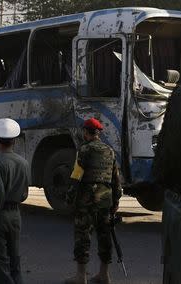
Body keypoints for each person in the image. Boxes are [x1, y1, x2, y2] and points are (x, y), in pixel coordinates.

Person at [65, 118, 122, 284]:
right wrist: (116, 200)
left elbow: (76, 176)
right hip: (105, 201)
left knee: (83, 236)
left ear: (86, 132)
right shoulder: (109, 151)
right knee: (105, 236)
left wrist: (69, 198)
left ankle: (81, 277)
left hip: (86, 201)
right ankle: (104, 275)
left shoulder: (84, 150)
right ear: (99, 133)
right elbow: (115, 179)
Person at [0, 118, 30, 284]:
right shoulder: (23, 162)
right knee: (15, 261)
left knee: (0, 264)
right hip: (16, 215)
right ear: (14, 141)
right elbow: (24, 194)